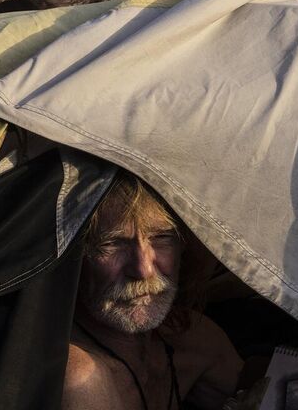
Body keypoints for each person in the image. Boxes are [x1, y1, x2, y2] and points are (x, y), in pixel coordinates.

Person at [64, 176, 244, 410]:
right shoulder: (79, 377)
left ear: (185, 246)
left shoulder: (192, 337)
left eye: (162, 237)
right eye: (112, 243)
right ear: (75, 257)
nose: (143, 269)